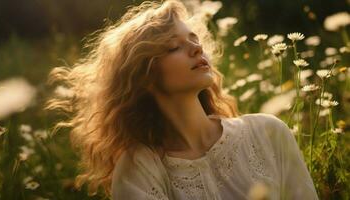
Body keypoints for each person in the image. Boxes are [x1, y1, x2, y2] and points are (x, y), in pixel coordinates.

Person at [45, 0, 319, 199]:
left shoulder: (268, 133)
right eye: (174, 46)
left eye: (194, 39)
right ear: (144, 76)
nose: (196, 47)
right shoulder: (139, 169)